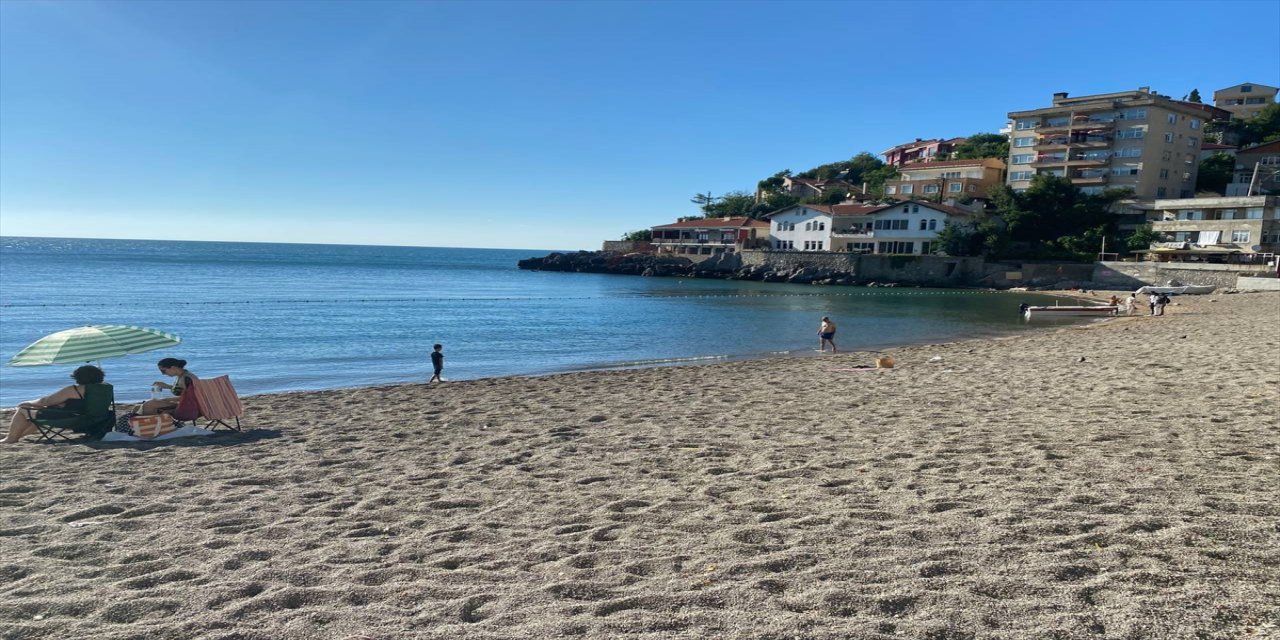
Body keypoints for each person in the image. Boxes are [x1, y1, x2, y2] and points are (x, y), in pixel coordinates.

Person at [4, 365, 105, 443]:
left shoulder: (74, 389)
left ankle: (11, 438)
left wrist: (28, 402)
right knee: (42, 410)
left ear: (78, 377)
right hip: (93, 419)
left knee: (24, 409)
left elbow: (45, 401)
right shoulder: (104, 389)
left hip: (71, 420)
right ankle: (18, 435)